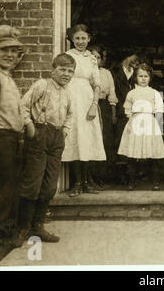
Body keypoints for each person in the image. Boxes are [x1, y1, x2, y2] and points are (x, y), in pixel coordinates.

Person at [11, 53, 75, 247]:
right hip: (39, 134)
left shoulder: (68, 92)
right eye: (62, 69)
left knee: (49, 186)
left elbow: (70, 114)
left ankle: (37, 226)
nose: (66, 74)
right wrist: (29, 126)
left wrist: (64, 131)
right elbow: (23, 105)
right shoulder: (42, 85)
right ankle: (22, 227)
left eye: (70, 71)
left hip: (56, 138)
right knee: (32, 184)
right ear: (52, 70)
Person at [0, 25, 25, 245]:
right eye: (4, 50)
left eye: (14, 50)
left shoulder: (6, 76)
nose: (10, 55)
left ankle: (4, 231)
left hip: (11, 137)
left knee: (9, 184)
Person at [62, 24, 106, 197]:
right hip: (72, 99)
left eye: (84, 38)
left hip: (87, 100)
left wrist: (94, 105)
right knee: (74, 137)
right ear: (72, 39)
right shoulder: (67, 57)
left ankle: (87, 182)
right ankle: (77, 182)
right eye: (77, 38)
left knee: (87, 139)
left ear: (89, 39)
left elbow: (96, 84)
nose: (80, 41)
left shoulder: (92, 59)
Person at [118, 63, 164, 190]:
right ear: (136, 77)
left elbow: (159, 110)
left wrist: (158, 127)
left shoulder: (154, 93)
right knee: (133, 153)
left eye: (146, 76)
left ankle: (155, 182)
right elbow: (127, 109)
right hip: (135, 124)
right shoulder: (132, 93)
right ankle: (132, 181)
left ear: (150, 78)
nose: (143, 78)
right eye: (140, 76)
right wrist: (132, 122)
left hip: (150, 123)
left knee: (153, 153)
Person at [89, 45, 118, 185]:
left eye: (98, 57)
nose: (96, 60)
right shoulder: (85, 73)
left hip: (104, 107)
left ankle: (103, 176)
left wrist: (113, 114)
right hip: (90, 107)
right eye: (93, 57)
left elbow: (112, 93)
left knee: (106, 141)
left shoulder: (106, 73)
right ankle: (90, 176)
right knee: (92, 140)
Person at [112, 53, 140, 185]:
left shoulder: (138, 74)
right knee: (122, 143)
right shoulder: (115, 73)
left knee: (135, 143)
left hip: (137, 114)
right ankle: (122, 177)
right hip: (122, 113)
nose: (135, 62)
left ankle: (133, 176)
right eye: (132, 59)